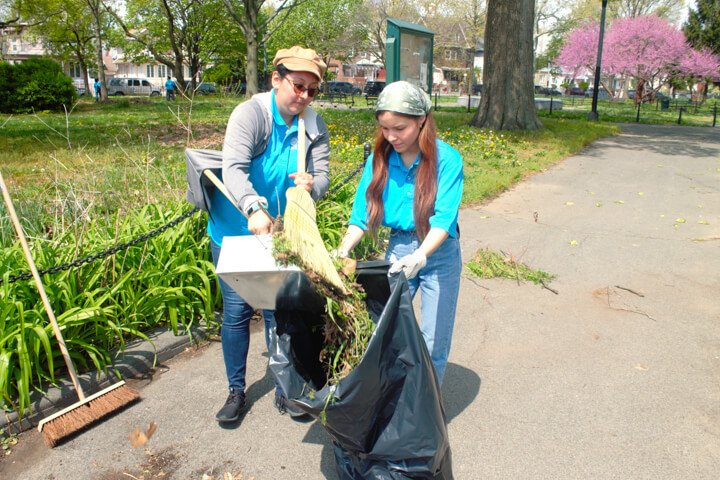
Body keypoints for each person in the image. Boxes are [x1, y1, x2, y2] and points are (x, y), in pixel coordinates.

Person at [209, 46, 329, 423]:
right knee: (237, 312)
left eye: (312, 90)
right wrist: (252, 208)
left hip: (279, 233)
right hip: (235, 230)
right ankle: (235, 391)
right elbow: (234, 167)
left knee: (281, 313)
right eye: (298, 86)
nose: (304, 97)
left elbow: (323, 175)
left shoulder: (314, 125)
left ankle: (286, 388)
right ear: (276, 79)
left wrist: (313, 185)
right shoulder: (250, 115)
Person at [336, 81, 463, 384]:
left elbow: (444, 219)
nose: (392, 137)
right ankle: (386, 398)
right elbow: (361, 215)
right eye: (385, 128)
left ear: (422, 121)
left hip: (439, 253)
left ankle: (424, 411)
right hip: (399, 250)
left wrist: (422, 254)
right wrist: (343, 249)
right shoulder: (379, 160)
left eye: (400, 128)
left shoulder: (447, 160)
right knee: (384, 329)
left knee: (433, 341)